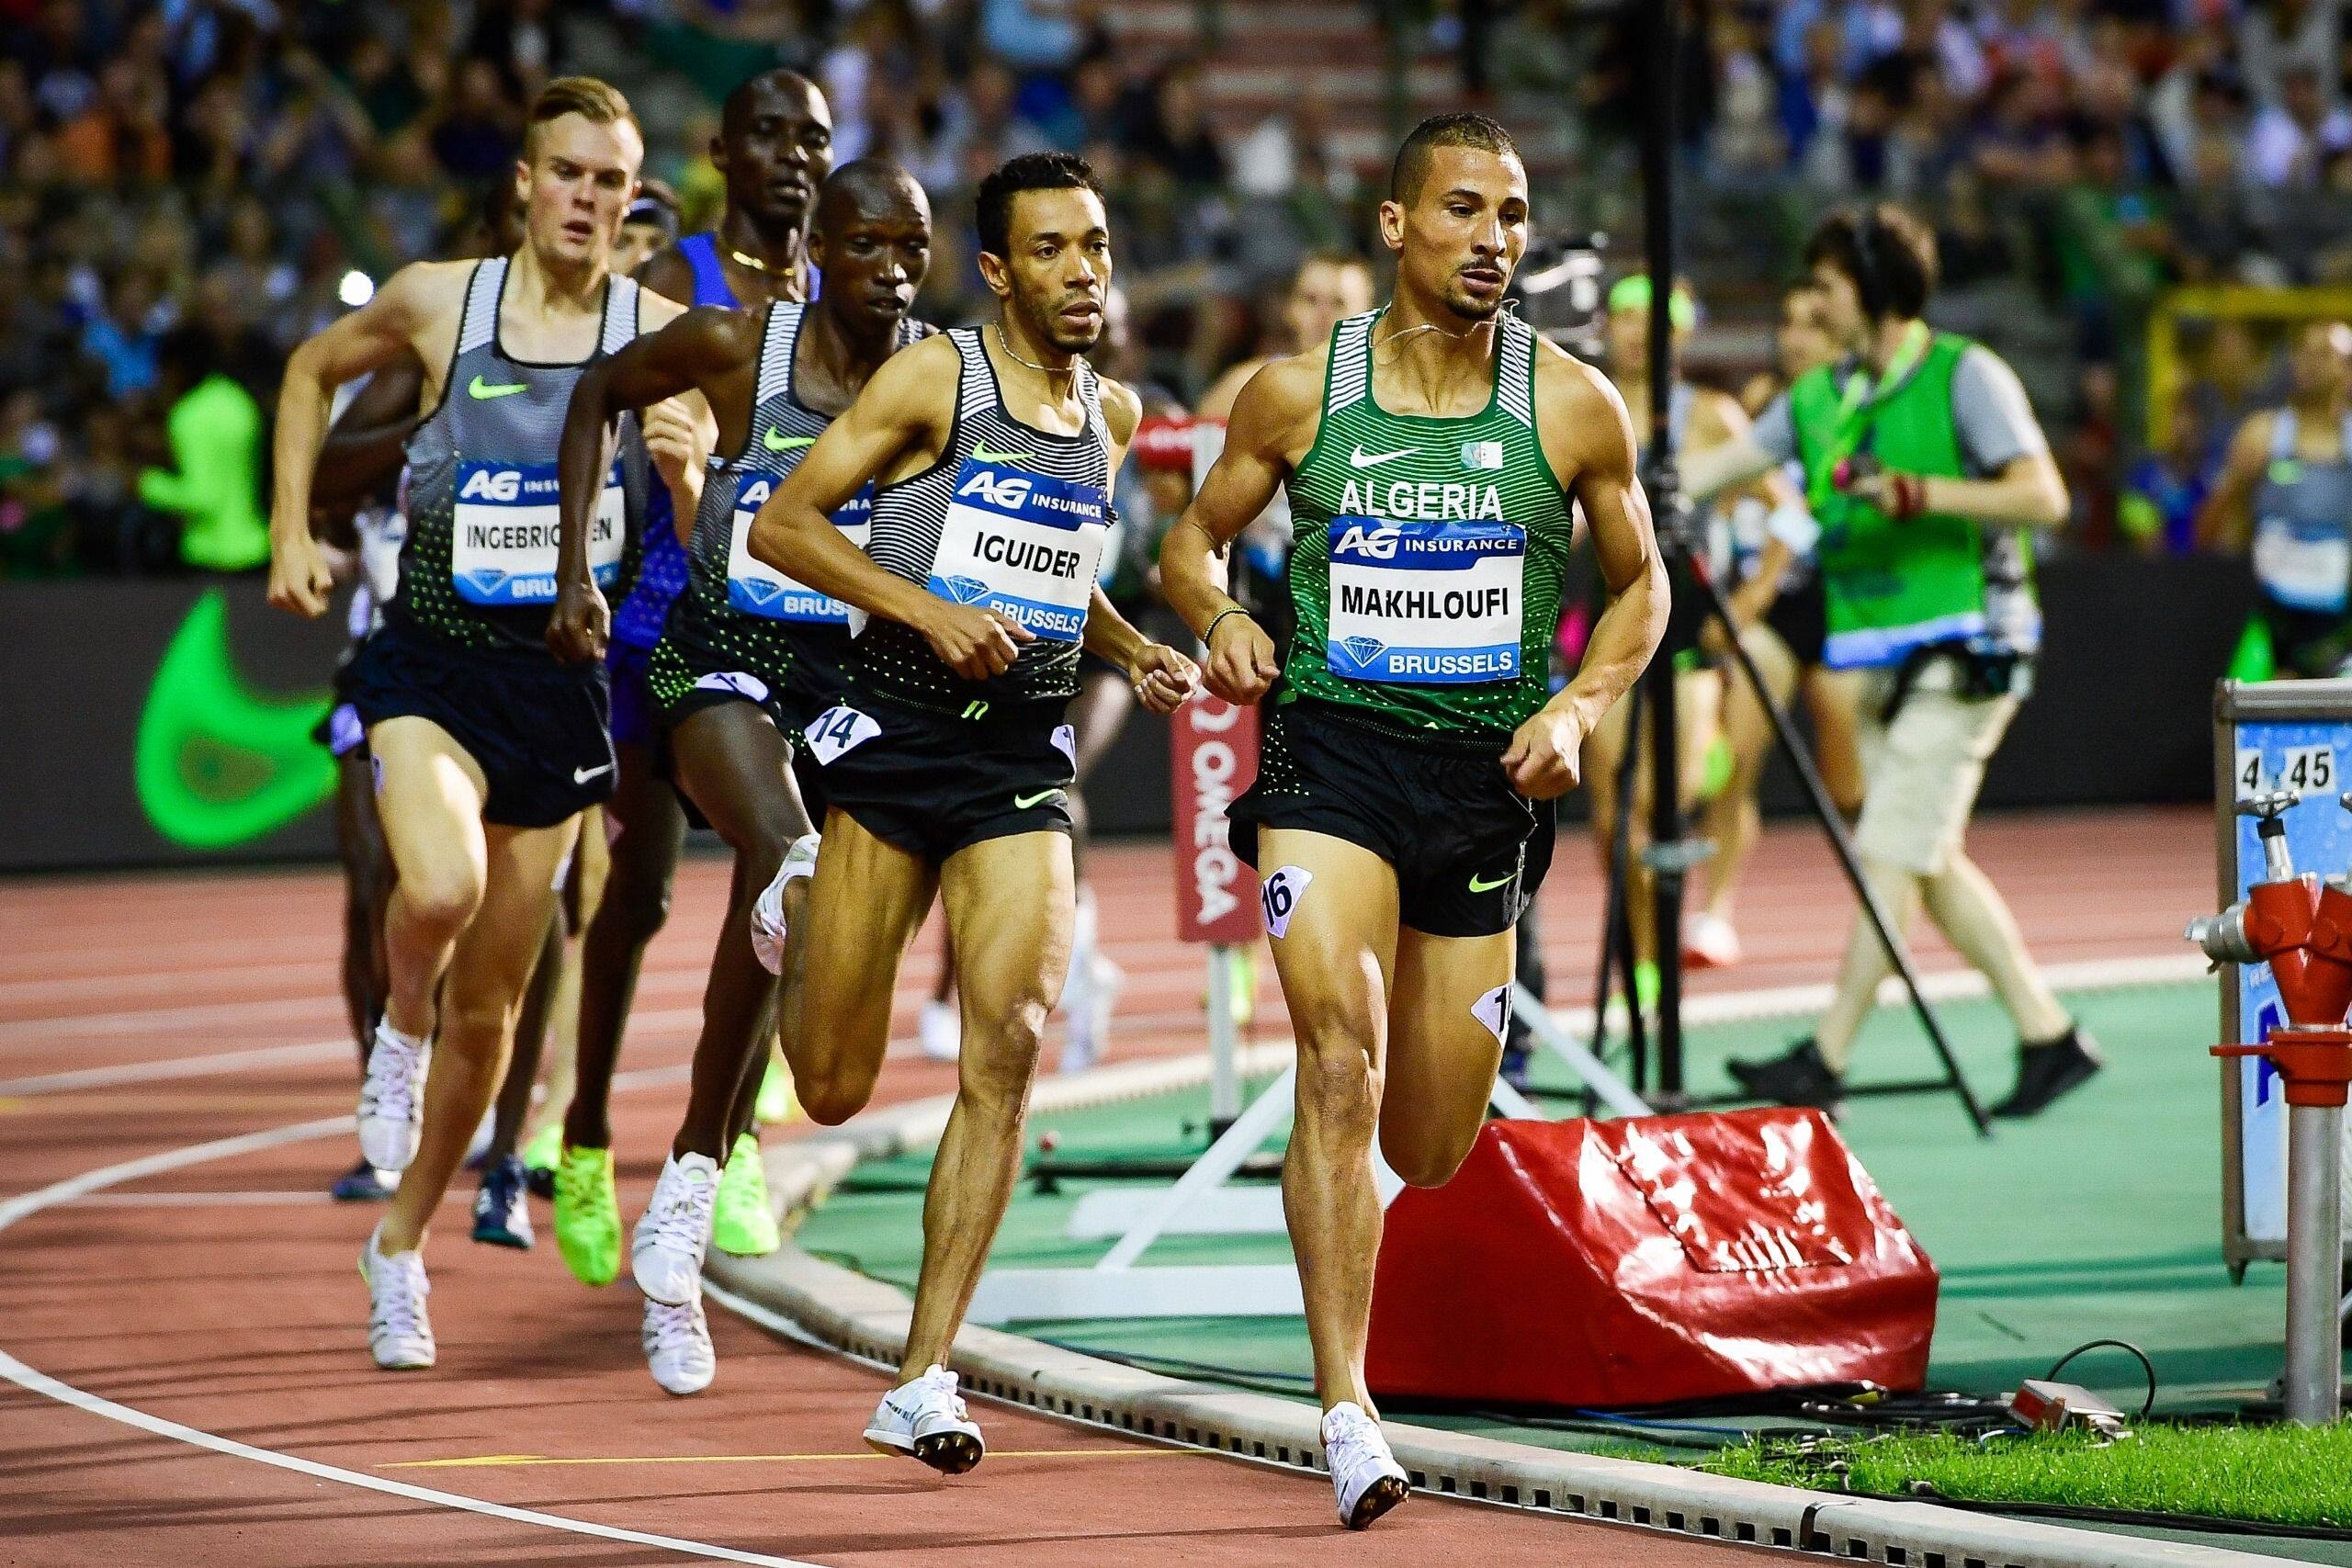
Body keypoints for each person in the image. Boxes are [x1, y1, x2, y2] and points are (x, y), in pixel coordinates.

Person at [1160, 113, 1667, 1529]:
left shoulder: (1569, 403)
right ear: (1395, 226)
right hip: (1331, 762)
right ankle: (1346, 1406)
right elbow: (1190, 540)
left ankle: (1355, 1233)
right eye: (1462, 210)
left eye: (1512, 213)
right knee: (1338, 1053)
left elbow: (1643, 583)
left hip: (1483, 788)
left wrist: (1576, 708)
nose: (1494, 239)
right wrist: (1222, 613)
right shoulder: (1294, 393)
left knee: (1432, 1136)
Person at [747, 151, 1198, 1472]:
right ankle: (803, 890)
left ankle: (924, 1369)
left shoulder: (1109, 412)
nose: (1085, 273)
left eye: (1098, 247)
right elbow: (788, 524)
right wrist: (930, 610)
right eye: (1052, 250)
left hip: (1018, 759)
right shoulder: (935, 375)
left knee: (1008, 1030)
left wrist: (1127, 649)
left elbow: (1064, 578)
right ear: (998, 270)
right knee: (828, 1087)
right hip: (894, 732)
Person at [266, 77, 665, 1371]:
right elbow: (310, 367)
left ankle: (401, 1243)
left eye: (611, 181)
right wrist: (287, 532)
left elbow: (738, 426)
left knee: (496, 1014)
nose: (589, 200)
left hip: (556, 692)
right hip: (430, 666)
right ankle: (395, 1028)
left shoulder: (658, 328)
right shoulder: (448, 301)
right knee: (437, 882)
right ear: (526, 184)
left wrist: (703, 464)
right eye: (569, 174)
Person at [548, 159, 937, 1394]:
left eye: (912, 249)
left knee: (784, 917)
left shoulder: (940, 382)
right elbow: (596, 396)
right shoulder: (735, 345)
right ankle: (662, 1171)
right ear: (815, 246)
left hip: (855, 688)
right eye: (867, 244)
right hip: (719, 661)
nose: (891, 270)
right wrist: (579, 565)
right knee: (786, 859)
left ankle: (689, 1181)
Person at [1682, 202, 2101, 1121]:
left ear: (1871, 287)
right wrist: (1609, 475)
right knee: (1923, 857)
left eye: (1827, 283)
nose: (1811, 300)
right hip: (1878, 654)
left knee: (1886, 848)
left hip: (1971, 644)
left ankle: (1825, 1056)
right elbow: (1709, 472)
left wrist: (1923, 493)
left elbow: (2043, 497)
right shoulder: (1819, 396)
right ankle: (2048, 1035)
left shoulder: (1964, 375)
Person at [555, 70, 837, 1290]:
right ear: (724, 151)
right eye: (768, 133)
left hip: (795, 635)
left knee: (784, 873)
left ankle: (731, 1148)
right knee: (643, 895)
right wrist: (579, 561)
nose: (791, 155)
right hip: (661, 629)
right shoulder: (684, 294)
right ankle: (578, 1135)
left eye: (812, 139)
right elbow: (608, 417)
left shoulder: (841, 298)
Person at [1578, 275, 1804, 989]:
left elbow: (1792, 518)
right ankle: (1647, 970)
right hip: (1604, 628)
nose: (1636, 332)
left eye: (1653, 319)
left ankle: (1708, 760)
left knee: (1666, 805)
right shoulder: (1576, 407)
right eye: (1624, 316)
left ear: (1681, 334)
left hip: (1683, 636)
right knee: (1617, 814)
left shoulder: (1709, 416)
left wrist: (1749, 602)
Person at [1689, 276, 1860, 966]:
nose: (1795, 337)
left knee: (1851, 783)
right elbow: (1729, 496)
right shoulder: (1762, 408)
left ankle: (1884, 905)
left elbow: (1814, 504)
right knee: (1739, 752)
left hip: (1849, 606)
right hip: (1775, 611)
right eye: (1787, 322)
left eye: (1812, 324)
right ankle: (1715, 911)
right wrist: (1743, 592)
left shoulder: (1860, 406)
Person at [2199, 321, 2352, 680]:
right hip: (2266, 618)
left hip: (2339, 625)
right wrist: (2237, 487)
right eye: (2304, 353)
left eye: (2324, 354)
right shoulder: (2261, 434)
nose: (2311, 363)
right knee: (2247, 713)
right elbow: (2210, 532)